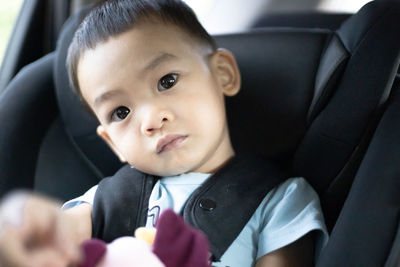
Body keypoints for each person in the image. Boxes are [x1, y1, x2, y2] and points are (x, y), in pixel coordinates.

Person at [0, 0, 328, 266]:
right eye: (121, 112)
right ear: (113, 142)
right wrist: (23, 226)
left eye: (166, 81)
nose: (151, 120)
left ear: (222, 74)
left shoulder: (281, 200)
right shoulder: (105, 200)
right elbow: (54, 237)